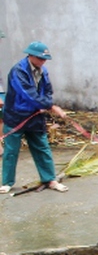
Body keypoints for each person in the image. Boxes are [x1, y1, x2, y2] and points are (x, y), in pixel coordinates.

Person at [1, 41, 68, 194]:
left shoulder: (43, 72)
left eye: (45, 59)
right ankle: (7, 182)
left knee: (42, 147)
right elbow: (27, 93)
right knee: (11, 150)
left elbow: (48, 91)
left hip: (35, 115)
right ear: (30, 55)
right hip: (16, 116)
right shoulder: (18, 71)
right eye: (40, 58)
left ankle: (50, 179)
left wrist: (47, 103)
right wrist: (51, 107)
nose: (42, 62)